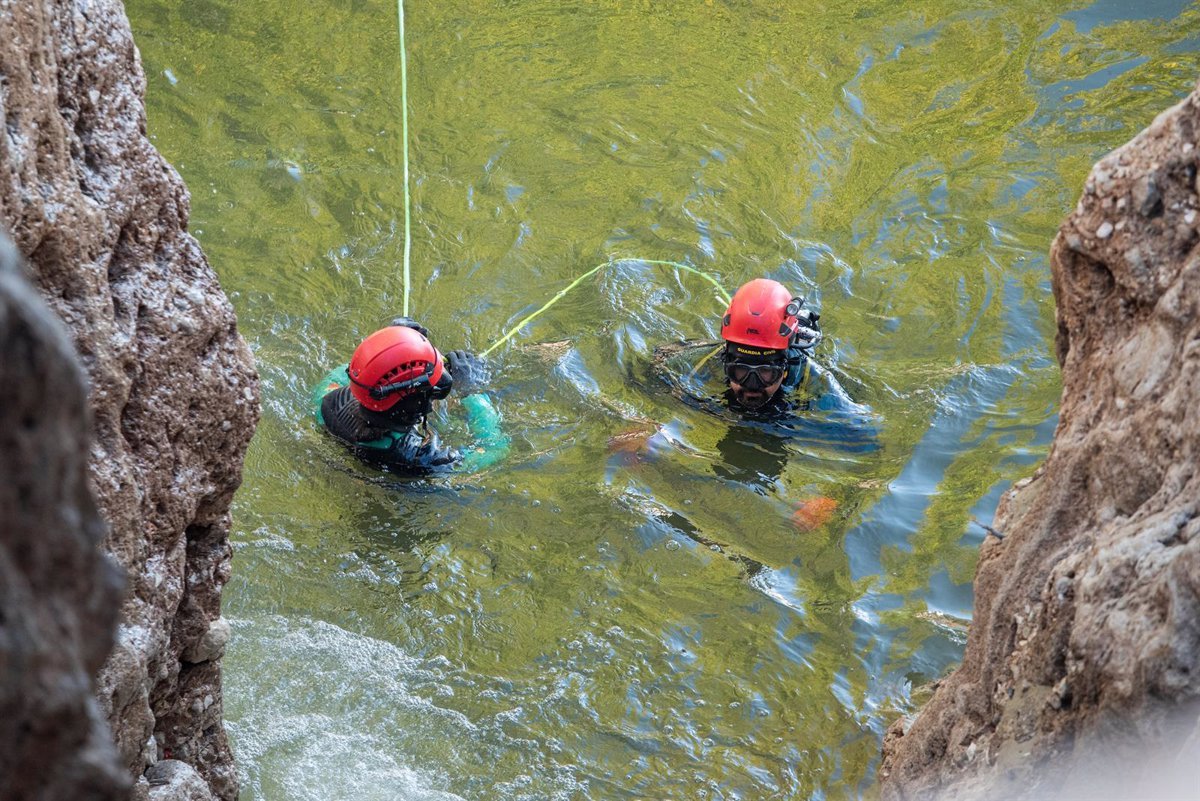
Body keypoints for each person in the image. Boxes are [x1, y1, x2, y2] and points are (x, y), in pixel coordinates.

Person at [313, 318, 508, 475]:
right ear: (416, 402)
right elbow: (496, 449)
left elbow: (347, 373)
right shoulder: (422, 458)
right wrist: (473, 392)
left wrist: (391, 344)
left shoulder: (329, 403)